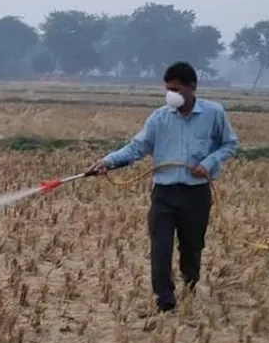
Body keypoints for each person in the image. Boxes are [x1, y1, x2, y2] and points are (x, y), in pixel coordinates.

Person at [88, 61, 239, 313]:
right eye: (168, 89)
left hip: (196, 193)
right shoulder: (159, 118)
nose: (172, 95)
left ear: (192, 87)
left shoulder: (214, 113)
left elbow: (230, 145)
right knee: (160, 248)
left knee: (192, 247)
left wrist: (209, 163)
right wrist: (108, 162)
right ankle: (165, 301)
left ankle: (190, 280)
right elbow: (136, 148)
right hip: (165, 194)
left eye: (177, 90)